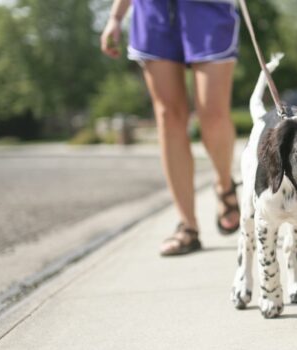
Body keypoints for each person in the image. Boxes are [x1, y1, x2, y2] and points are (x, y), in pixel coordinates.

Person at [100, 0, 241, 256]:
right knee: (168, 116)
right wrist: (116, 17)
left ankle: (224, 185)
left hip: (207, 8)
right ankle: (187, 225)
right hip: (153, 11)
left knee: (213, 114)